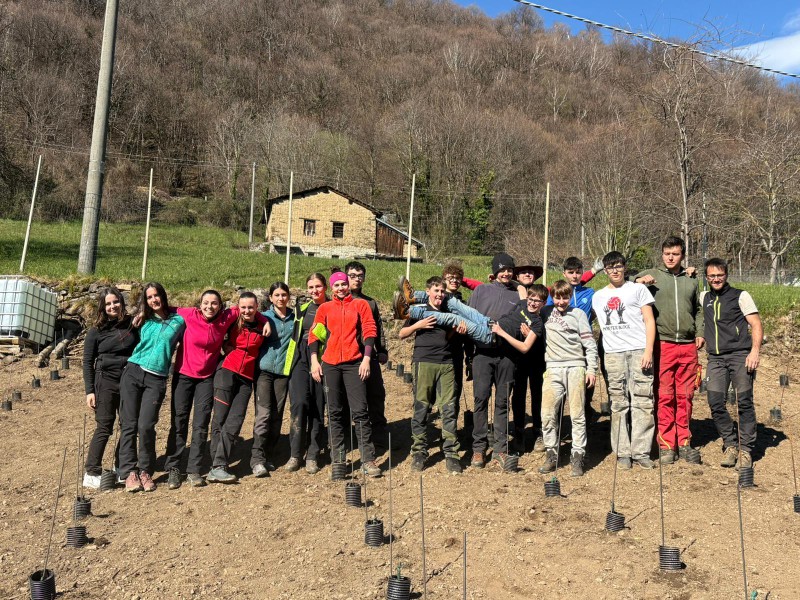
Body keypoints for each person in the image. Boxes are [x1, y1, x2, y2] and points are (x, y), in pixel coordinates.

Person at [163, 290, 265, 489]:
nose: (209, 307)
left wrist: (264, 320)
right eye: (206, 303)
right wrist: (142, 313)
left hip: (206, 378)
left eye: (214, 303)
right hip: (184, 374)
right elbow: (164, 308)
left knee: (201, 424)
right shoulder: (189, 314)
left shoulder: (227, 317)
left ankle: (194, 469)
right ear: (199, 304)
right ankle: (174, 468)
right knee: (179, 421)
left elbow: (247, 310)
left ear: (221, 306)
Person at [632, 237, 704, 464]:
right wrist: (639, 279)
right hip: (662, 345)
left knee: (685, 395)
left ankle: (684, 441)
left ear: (682, 255)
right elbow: (630, 282)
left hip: (688, 345)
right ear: (661, 254)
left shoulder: (691, 279)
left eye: (675, 253)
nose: (670, 257)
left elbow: (699, 309)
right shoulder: (653, 275)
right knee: (664, 395)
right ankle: (665, 444)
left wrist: (700, 332)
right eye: (667, 253)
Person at [309, 269, 381, 477]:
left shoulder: (361, 305)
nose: (341, 288)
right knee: (335, 413)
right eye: (337, 285)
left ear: (348, 285)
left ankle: (368, 459)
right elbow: (315, 336)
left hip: (353, 363)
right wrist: (315, 361)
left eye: (343, 284)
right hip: (330, 364)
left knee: (360, 411)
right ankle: (338, 460)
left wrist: (366, 358)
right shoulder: (325, 308)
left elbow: (370, 331)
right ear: (332, 287)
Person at [591, 252, 657, 470]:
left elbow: (649, 321)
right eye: (610, 267)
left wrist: (648, 351)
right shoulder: (598, 296)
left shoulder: (638, 290)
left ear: (625, 268)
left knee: (643, 400)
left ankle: (641, 451)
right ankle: (622, 452)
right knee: (618, 403)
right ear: (605, 271)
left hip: (639, 351)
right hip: (613, 355)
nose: (615, 271)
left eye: (618, 266)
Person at [119, 283, 185, 492]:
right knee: (129, 424)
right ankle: (129, 472)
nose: (154, 300)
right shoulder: (142, 320)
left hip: (157, 378)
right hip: (134, 371)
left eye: (157, 296)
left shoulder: (179, 321)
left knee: (146, 425)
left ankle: (146, 470)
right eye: (149, 297)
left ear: (163, 297)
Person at [701, 258, 762, 469]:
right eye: (712, 276)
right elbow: (700, 319)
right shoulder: (704, 297)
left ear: (726, 275)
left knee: (744, 402)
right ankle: (730, 444)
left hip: (739, 355)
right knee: (715, 402)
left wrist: (754, 351)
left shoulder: (740, 296)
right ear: (707, 277)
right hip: (715, 358)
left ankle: (746, 450)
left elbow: (755, 324)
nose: (716, 279)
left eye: (719, 275)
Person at [399, 276, 464, 474]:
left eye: (442, 292)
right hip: (424, 362)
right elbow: (402, 334)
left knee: (449, 408)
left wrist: (456, 331)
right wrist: (418, 325)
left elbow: (447, 337)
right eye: (436, 291)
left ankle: (451, 453)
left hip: (446, 363)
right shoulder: (419, 310)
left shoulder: (448, 311)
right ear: (428, 291)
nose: (440, 295)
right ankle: (419, 451)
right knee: (422, 407)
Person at [466, 252, 523, 469]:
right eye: (502, 269)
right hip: (482, 354)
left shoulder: (518, 294)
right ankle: (479, 449)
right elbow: (469, 317)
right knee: (480, 400)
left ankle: (500, 448)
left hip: (508, 355)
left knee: (502, 402)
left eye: (510, 270)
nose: (506, 273)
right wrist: (469, 355)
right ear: (495, 272)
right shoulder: (482, 290)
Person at [536, 281, 598, 477]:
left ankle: (578, 455)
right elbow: (528, 302)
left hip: (576, 367)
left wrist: (591, 370)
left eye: (565, 297)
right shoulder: (545, 312)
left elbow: (589, 344)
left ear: (570, 297)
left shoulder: (578, 314)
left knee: (578, 414)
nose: (561, 301)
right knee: (547, 414)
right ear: (552, 297)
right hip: (553, 368)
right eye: (557, 297)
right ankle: (551, 452)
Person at [82, 287, 139, 489]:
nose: (112, 306)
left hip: (129, 380)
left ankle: (121, 466)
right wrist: (90, 391)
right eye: (108, 304)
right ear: (103, 307)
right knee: (105, 426)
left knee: (128, 425)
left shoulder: (133, 325)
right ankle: (92, 471)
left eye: (115, 302)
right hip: (105, 381)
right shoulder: (96, 331)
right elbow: (88, 362)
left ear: (121, 303)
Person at [207, 292, 266, 483]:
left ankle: (218, 464)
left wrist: (264, 320)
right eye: (243, 307)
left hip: (246, 378)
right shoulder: (233, 319)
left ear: (257, 308)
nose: (247, 311)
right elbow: (221, 335)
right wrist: (227, 347)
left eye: (251, 307)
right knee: (220, 419)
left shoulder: (261, 325)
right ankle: (217, 465)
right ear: (238, 307)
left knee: (235, 420)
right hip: (227, 372)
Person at [284, 273, 328, 474]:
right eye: (310, 287)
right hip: (300, 359)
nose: (314, 291)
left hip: (323, 358)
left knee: (318, 408)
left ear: (325, 287)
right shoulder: (301, 310)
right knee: (299, 403)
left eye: (318, 286)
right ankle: (295, 454)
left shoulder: (331, 308)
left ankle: (312, 454)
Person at [251, 282, 295, 476]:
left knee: (277, 415)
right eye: (276, 295)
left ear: (288, 297)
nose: (280, 298)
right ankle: (257, 459)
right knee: (263, 414)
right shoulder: (264, 317)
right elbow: (247, 316)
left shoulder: (295, 318)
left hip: (283, 373)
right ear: (270, 298)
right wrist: (263, 319)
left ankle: (268, 455)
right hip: (264, 371)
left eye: (284, 295)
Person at [345, 261, 389, 451]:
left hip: (369, 356)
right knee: (347, 400)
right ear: (346, 276)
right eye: (353, 275)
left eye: (360, 275)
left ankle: (378, 437)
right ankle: (347, 440)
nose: (357, 279)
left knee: (376, 396)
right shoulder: (337, 301)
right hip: (346, 358)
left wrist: (383, 349)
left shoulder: (370, 302)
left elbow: (378, 327)